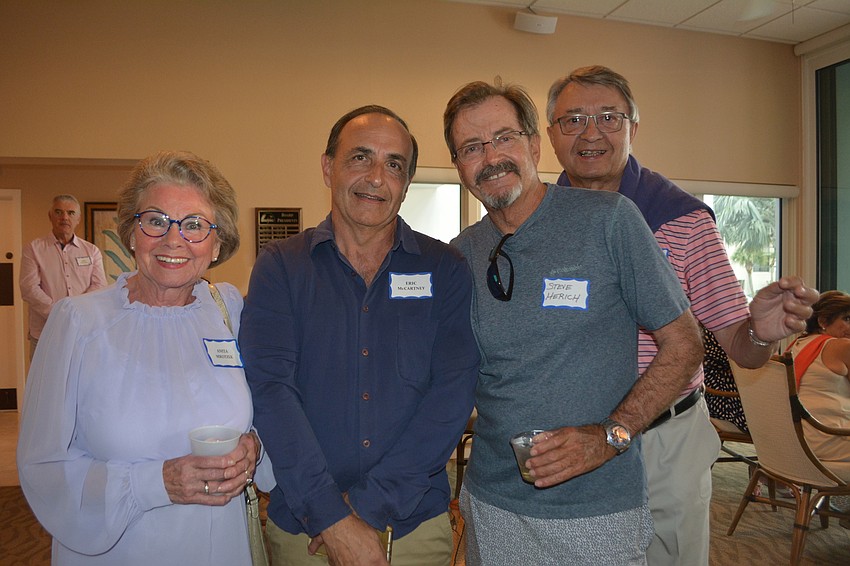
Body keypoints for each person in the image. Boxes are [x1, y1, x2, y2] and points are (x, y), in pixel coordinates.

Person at [546, 65, 819, 565]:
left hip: (663, 441)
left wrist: (760, 332)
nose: (590, 132)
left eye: (609, 116)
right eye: (573, 119)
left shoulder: (682, 219)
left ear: (633, 127)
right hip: (574, 436)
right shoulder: (539, 222)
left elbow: (742, 348)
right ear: (551, 136)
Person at [443, 78, 704, 565]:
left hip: (595, 508)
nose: (491, 156)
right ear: (459, 165)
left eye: (504, 137)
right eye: (472, 147)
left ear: (534, 144)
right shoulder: (461, 255)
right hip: (492, 502)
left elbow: (685, 345)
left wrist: (612, 435)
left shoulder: (609, 221)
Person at [240, 105, 480, 566]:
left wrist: (367, 508)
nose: (376, 177)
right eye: (360, 157)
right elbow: (271, 392)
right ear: (329, 167)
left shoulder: (445, 270)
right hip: (305, 529)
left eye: (394, 165)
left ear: (406, 183)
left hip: (412, 526)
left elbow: (450, 396)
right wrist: (331, 517)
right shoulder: (281, 267)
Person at [17, 151, 264, 565]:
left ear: (218, 244)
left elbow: (264, 411)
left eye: (195, 225)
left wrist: (255, 448)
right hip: (118, 549)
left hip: (218, 546)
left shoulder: (230, 311)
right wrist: (157, 483)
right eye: (155, 220)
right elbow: (43, 465)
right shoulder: (78, 322)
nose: (174, 239)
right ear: (130, 232)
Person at [20, 194, 107, 358]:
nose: (64, 217)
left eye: (71, 213)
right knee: (44, 382)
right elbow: (29, 288)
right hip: (45, 332)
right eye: (59, 212)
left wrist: (76, 313)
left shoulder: (92, 251)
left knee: (79, 381)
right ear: (50, 216)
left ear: (78, 218)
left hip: (82, 331)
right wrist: (59, 314)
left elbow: (98, 286)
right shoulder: (33, 249)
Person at [788, 290, 850, 480]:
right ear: (823, 321)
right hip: (828, 439)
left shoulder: (797, 344)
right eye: (847, 319)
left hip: (797, 440)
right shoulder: (840, 346)